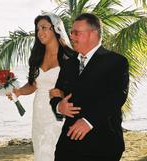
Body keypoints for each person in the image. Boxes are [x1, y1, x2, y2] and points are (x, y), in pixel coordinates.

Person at [50, 13, 129, 161]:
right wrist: (59, 106)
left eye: (76, 33)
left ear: (93, 34)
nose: (71, 37)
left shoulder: (116, 61)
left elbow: (118, 96)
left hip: (103, 143)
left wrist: (88, 121)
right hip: (68, 144)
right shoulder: (68, 64)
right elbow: (56, 93)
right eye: (71, 32)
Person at [7, 13, 76, 161]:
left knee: (55, 152)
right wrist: (19, 92)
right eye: (38, 29)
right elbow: (33, 85)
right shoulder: (37, 56)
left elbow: (79, 87)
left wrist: (63, 94)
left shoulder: (70, 57)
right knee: (41, 152)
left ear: (56, 29)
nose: (40, 32)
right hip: (39, 113)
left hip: (58, 113)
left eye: (44, 27)